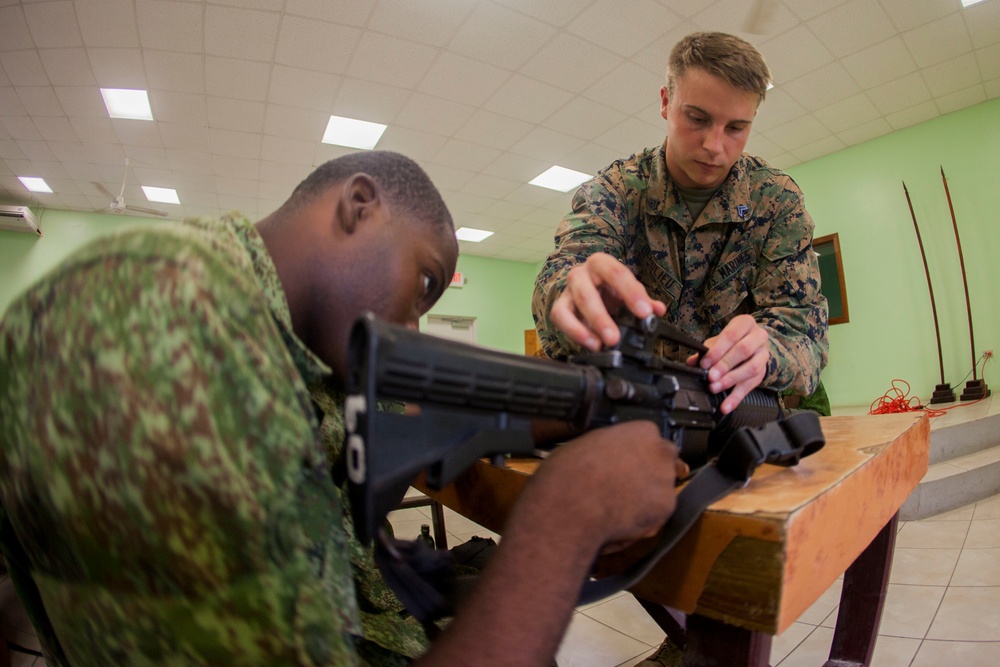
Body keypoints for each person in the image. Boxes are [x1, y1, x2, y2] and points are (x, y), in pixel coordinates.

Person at [0, 150, 683, 666]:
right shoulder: (171, 318)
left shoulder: (270, 331)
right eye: (423, 282)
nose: (411, 326)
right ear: (360, 203)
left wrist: (594, 400)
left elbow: (399, 409)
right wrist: (570, 514)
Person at [532, 32, 829, 419]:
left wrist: (769, 350)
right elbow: (564, 273)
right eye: (697, 118)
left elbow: (807, 331)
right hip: (634, 416)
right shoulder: (615, 192)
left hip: (743, 418)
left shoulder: (776, 200)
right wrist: (571, 295)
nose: (713, 144)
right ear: (666, 102)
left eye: (736, 127)